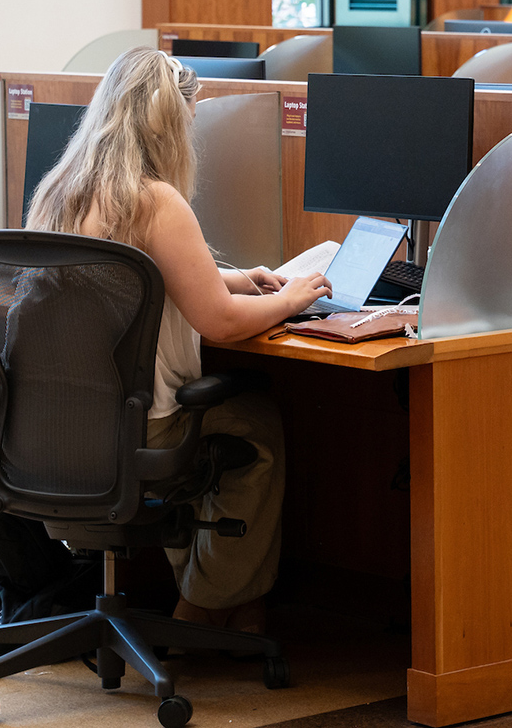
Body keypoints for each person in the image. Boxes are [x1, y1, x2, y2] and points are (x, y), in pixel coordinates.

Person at [26, 47, 333, 633]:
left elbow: (133, 274)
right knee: (255, 424)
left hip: (57, 419)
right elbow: (219, 324)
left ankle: (238, 604)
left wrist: (238, 279)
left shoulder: (62, 190)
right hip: (139, 424)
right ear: (169, 124)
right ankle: (204, 606)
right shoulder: (153, 200)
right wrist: (290, 299)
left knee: (218, 418)